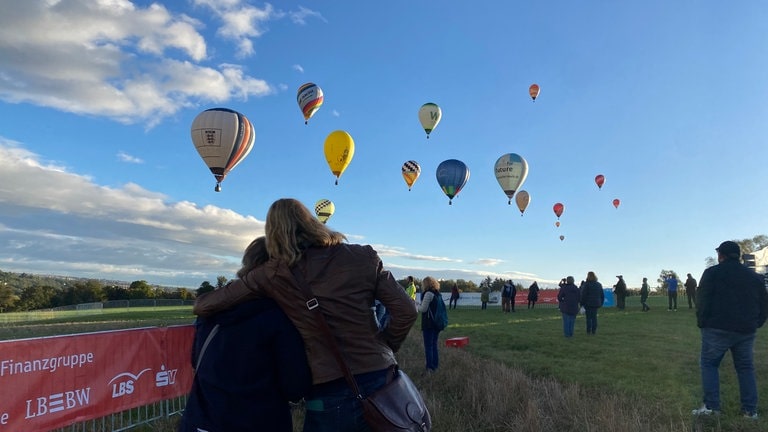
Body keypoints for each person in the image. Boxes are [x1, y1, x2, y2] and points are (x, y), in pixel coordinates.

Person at [193, 198, 417, 432]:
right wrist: (384, 345)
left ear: (273, 233)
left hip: (331, 389)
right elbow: (407, 310)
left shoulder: (273, 273)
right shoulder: (364, 256)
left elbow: (205, 305)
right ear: (311, 221)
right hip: (384, 378)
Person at [179, 237, 311, 432]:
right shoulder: (278, 317)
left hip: (203, 421)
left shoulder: (210, 310)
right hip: (259, 422)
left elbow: (196, 361)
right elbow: (295, 386)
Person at [692, 241, 768, 419]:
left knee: (709, 365)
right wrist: (757, 322)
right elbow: (764, 303)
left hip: (716, 328)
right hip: (745, 330)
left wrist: (702, 321)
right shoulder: (754, 277)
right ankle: (750, 411)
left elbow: (702, 299)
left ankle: (712, 407)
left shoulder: (712, 273)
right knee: (745, 368)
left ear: (721, 255)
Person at [418, 276, 444, 373]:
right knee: (434, 345)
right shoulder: (438, 294)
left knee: (428, 347)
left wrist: (416, 305)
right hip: (437, 323)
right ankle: (435, 366)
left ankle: (429, 368)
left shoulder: (428, 294)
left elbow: (423, 309)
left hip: (429, 324)